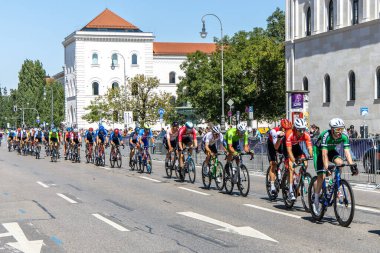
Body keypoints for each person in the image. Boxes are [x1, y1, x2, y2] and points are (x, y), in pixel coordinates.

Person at [312, 118, 358, 215]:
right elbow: (324, 154)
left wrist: (352, 165)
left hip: (331, 150)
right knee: (322, 175)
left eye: (341, 129)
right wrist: (326, 167)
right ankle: (315, 199)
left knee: (340, 163)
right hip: (319, 152)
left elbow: (347, 152)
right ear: (332, 129)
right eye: (337, 130)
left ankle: (333, 183)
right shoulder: (326, 136)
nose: (339, 132)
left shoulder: (344, 136)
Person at [284, 118, 313, 201]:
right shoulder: (289, 134)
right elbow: (289, 151)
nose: (302, 132)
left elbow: (309, 147)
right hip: (287, 148)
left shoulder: (305, 135)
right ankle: (290, 191)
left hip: (296, 147)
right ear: (295, 129)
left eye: (303, 130)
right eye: (300, 130)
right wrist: (294, 161)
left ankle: (298, 178)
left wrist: (311, 154)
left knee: (305, 163)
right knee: (291, 167)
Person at [267, 119, 293, 196]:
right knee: (273, 164)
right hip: (272, 144)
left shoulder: (290, 132)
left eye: (289, 129)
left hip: (282, 144)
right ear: (282, 128)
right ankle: (272, 186)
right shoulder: (274, 132)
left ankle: (286, 180)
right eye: (285, 129)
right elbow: (276, 147)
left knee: (288, 161)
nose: (287, 130)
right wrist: (279, 137)